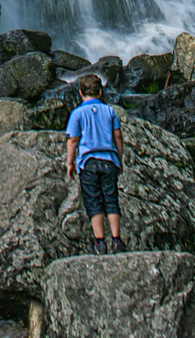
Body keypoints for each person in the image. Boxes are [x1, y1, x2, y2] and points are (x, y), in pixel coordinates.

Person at [66, 72, 124, 255]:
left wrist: (70, 162)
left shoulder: (77, 113)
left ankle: (100, 243)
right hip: (108, 161)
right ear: (100, 92)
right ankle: (116, 240)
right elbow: (118, 136)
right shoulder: (109, 111)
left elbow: (73, 140)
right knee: (111, 200)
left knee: (94, 202)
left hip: (88, 163)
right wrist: (119, 159)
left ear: (81, 94)